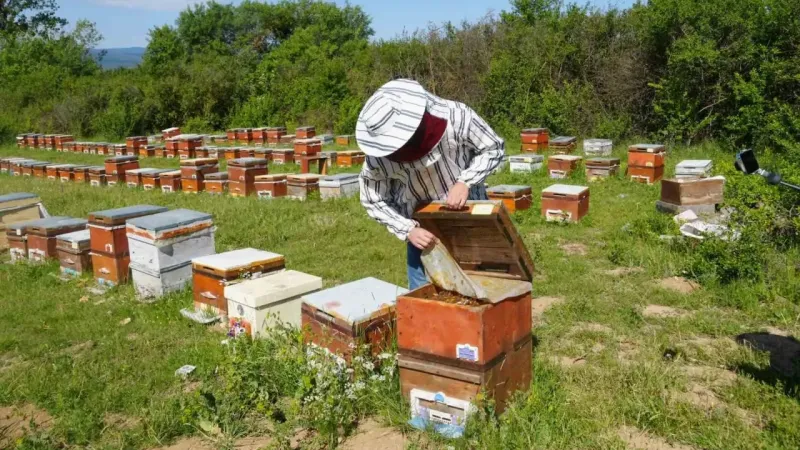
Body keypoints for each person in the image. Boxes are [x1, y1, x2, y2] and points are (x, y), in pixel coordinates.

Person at [356, 79, 506, 290]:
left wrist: (466, 181)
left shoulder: (458, 116)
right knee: (426, 306)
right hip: (423, 234)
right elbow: (372, 198)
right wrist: (407, 229)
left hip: (473, 220)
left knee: (488, 293)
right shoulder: (377, 159)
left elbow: (493, 147)